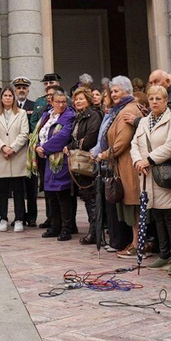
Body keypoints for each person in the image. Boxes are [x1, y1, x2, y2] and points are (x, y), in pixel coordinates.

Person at [133, 84, 171, 273]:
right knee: (157, 216)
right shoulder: (143, 121)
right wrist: (138, 161)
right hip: (146, 175)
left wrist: (147, 160)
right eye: (152, 98)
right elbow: (134, 144)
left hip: (164, 174)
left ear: (165, 101)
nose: (154, 102)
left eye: (159, 99)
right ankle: (163, 255)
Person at [97, 77, 143, 254]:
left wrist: (104, 155)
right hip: (121, 164)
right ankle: (134, 242)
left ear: (126, 91)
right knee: (129, 206)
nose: (113, 94)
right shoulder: (121, 109)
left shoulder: (128, 110)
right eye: (112, 91)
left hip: (129, 165)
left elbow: (122, 142)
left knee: (134, 205)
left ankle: (137, 245)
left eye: (116, 91)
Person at [35, 87, 77, 242]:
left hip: (60, 160)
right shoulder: (47, 115)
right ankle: (54, 225)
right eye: (57, 102)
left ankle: (67, 228)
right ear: (51, 102)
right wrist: (38, 146)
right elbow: (39, 133)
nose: (60, 105)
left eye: (63, 102)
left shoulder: (69, 116)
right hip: (46, 160)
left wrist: (44, 149)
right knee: (50, 195)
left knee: (62, 195)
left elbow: (62, 136)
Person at [0, 84, 30, 232]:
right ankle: (3, 218)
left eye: (10, 95)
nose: (7, 98)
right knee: (1, 191)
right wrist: (3, 148)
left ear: (14, 98)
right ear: (1, 98)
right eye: (5, 95)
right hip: (1, 156)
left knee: (18, 190)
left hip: (17, 155)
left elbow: (24, 133)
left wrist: (12, 148)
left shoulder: (22, 113)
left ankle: (19, 218)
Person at [69, 87, 103, 244]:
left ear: (88, 100)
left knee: (92, 199)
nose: (78, 101)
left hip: (89, 162)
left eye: (81, 99)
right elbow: (77, 139)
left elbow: (89, 140)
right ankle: (93, 231)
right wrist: (75, 144)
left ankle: (95, 233)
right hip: (79, 164)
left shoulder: (94, 115)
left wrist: (72, 145)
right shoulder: (78, 116)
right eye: (76, 99)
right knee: (87, 198)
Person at [12, 77, 41, 227]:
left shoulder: (34, 106)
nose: (21, 90)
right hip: (16, 151)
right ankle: (19, 215)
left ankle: (32, 216)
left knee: (31, 186)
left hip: (30, 152)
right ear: (15, 91)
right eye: (18, 88)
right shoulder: (10, 106)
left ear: (28, 90)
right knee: (17, 186)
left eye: (24, 88)